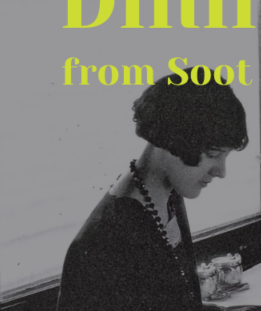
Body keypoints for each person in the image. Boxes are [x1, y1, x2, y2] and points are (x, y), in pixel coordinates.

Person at [57, 68, 249, 311]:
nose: (221, 171)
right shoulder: (108, 239)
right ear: (173, 139)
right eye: (213, 154)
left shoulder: (168, 196)